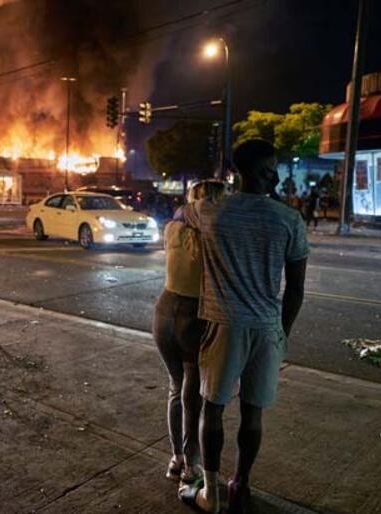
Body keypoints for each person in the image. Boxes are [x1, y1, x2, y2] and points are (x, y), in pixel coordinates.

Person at [179, 139, 308, 514]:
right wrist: (282, 331)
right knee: (253, 413)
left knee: (213, 408)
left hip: (224, 325)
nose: (277, 176)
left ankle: (212, 492)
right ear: (251, 171)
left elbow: (178, 216)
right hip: (267, 329)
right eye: (270, 168)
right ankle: (240, 485)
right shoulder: (289, 219)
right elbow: (295, 289)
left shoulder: (210, 211)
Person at [153, 180, 225, 486]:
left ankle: (176, 459)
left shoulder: (172, 227)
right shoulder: (212, 236)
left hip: (164, 310)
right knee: (193, 393)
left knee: (175, 387)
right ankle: (191, 465)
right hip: (192, 317)